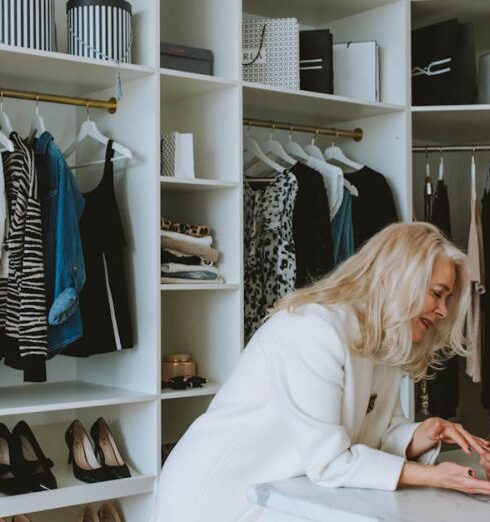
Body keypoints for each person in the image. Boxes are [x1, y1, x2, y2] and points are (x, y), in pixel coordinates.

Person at [155, 223, 490, 522]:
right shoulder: (313, 330)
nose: (443, 311)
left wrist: (422, 435)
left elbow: (377, 434)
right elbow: (330, 462)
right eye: (437, 294)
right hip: (219, 495)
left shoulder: (384, 340)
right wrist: (435, 476)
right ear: (401, 280)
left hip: (283, 493)